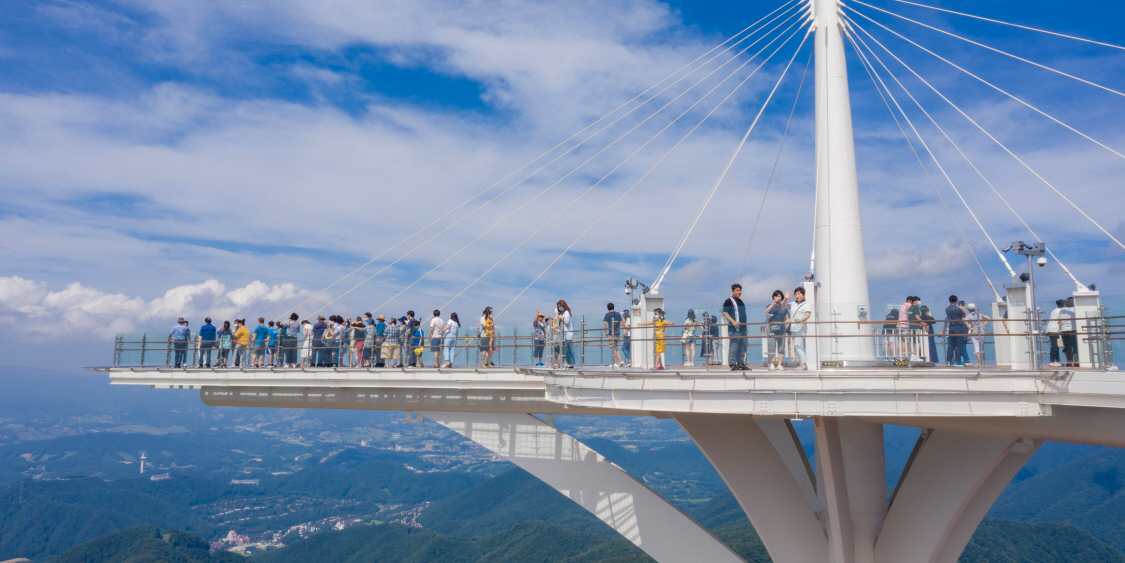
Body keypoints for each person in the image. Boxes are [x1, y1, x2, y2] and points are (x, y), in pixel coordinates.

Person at [723, 284, 748, 371]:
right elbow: (725, 312)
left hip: (743, 329)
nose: (739, 292)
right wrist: (733, 321)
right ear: (733, 291)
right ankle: (732, 364)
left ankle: (741, 363)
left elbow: (743, 314)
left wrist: (746, 326)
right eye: (737, 290)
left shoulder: (741, 302)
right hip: (734, 329)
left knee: (743, 346)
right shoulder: (728, 301)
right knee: (734, 346)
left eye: (740, 290)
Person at [765, 290, 790, 371]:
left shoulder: (784, 306)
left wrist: (787, 324)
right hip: (772, 329)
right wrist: (773, 304)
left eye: (779, 296)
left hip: (782, 329)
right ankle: (771, 363)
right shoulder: (770, 305)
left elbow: (787, 318)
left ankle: (779, 364)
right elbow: (766, 312)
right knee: (772, 347)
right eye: (776, 296)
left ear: (782, 297)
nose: (777, 298)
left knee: (781, 348)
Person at [786, 288, 811, 370]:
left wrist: (801, 320)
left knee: (798, 345)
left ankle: (803, 363)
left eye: (799, 294)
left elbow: (807, 315)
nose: (798, 296)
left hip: (801, 327)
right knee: (797, 346)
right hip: (793, 327)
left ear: (803, 295)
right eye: (796, 294)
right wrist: (785, 299)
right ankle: (802, 363)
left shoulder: (806, 304)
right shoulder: (793, 303)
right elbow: (783, 306)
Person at [942, 296, 967, 366]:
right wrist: (962, 309)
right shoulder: (958, 309)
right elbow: (964, 316)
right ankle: (958, 361)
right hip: (958, 327)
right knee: (959, 345)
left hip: (951, 328)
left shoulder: (947, 309)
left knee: (950, 345)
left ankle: (948, 361)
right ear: (956, 301)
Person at [557, 300, 575, 368]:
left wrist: (561, 318)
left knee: (569, 349)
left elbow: (567, 322)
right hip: (564, 334)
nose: (560, 308)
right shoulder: (563, 313)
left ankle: (571, 363)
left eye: (561, 306)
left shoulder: (567, 313)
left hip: (568, 334)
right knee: (566, 350)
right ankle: (567, 363)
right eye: (559, 307)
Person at [1061, 296, 1078, 367]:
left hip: (1064, 330)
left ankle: (1069, 361)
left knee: (1067, 346)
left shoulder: (1062, 310)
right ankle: (1077, 361)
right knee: (1075, 346)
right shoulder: (1075, 310)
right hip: (1073, 330)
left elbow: (1060, 320)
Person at [1047, 299, 1065, 367]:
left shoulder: (1054, 310)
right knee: (1054, 346)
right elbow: (1059, 321)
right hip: (1055, 329)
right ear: (1063, 304)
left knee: (1055, 346)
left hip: (1050, 329)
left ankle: (1057, 361)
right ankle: (1051, 361)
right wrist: (1060, 329)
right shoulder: (1061, 311)